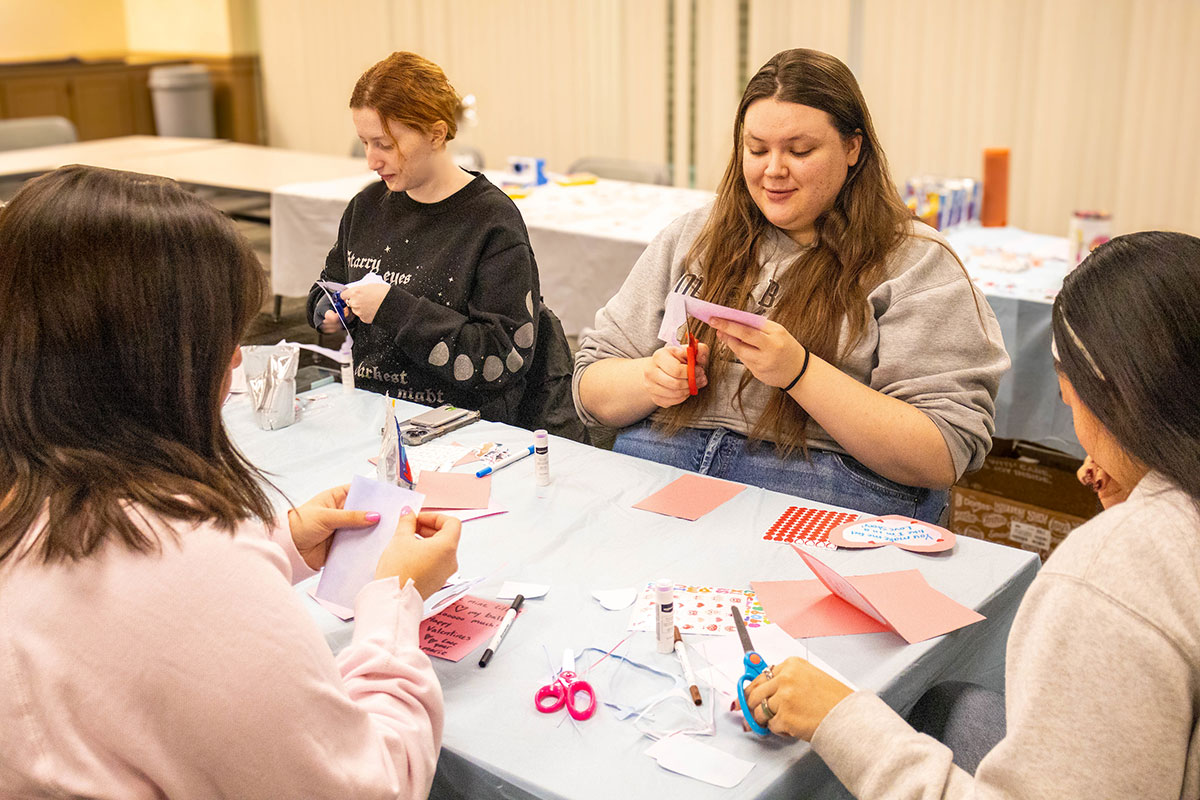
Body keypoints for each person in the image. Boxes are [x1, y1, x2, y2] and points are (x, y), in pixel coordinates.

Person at [0, 165, 461, 799]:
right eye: (225, 337)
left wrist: (281, 545)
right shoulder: (183, 563)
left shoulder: (32, 499)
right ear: (152, 356)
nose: (239, 358)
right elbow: (366, 785)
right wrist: (394, 600)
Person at [742, 231, 1200, 798]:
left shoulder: (1111, 572)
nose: (774, 171)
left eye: (1066, 398)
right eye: (757, 150)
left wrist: (838, 717)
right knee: (946, 706)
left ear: (1105, 390)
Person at [573, 49, 1008, 522]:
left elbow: (940, 453)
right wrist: (650, 380)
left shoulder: (914, 262)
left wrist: (800, 372)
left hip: (818, 490)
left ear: (853, 149)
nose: (773, 170)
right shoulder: (693, 236)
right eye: (757, 150)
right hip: (665, 470)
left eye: (800, 151)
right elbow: (590, 388)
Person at [308, 51, 584, 440]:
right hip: (374, 418)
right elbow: (328, 283)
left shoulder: (490, 222)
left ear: (436, 134)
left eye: (384, 144)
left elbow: (500, 358)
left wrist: (394, 309)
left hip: (466, 430)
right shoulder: (366, 208)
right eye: (364, 143)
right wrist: (326, 309)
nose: (371, 160)